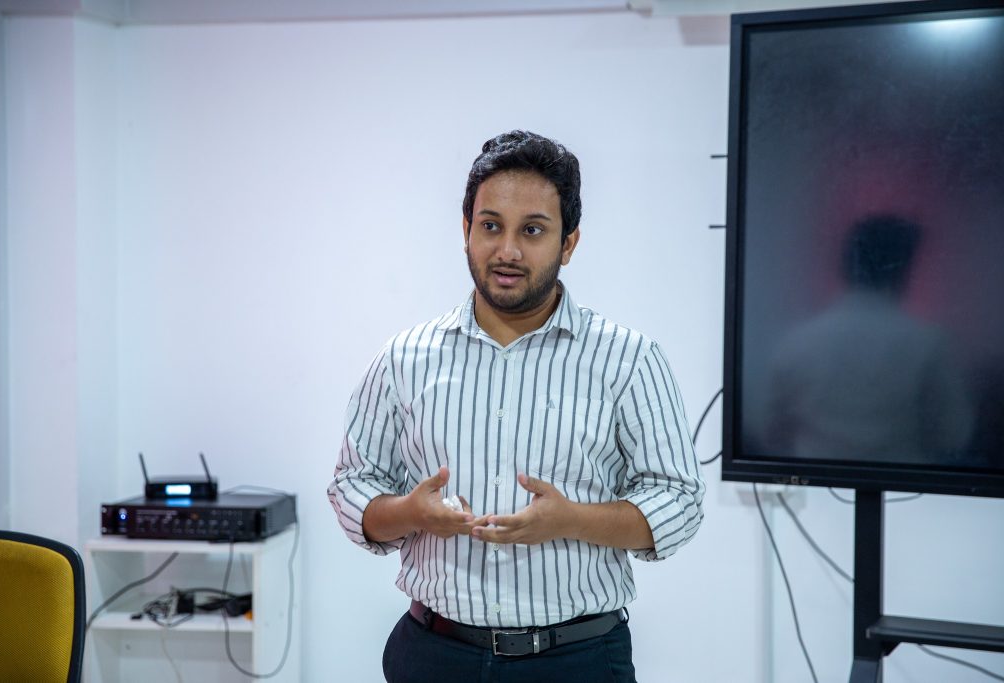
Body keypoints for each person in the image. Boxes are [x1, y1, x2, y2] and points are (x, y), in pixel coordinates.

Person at [328, 130, 705, 682]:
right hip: (434, 655)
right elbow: (351, 487)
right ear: (466, 230)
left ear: (568, 243)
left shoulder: (629, 359)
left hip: (576, 661)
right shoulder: (403, 358)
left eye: (532, 230)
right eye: (490, 226)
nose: (507, 250)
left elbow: (679, 502)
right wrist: (411, 513)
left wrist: (572, 520)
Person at [764, 214, 973, 464]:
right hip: (902, 477)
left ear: (847, 265)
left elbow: (772, 433)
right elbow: (953, 436)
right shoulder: (928, 343)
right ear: (903, 268)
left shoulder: (797, 342)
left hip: (813, 478)